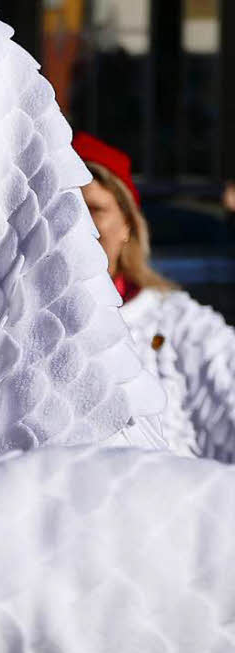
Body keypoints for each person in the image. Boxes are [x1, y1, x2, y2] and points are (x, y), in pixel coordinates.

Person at [74, 131, 235, 461]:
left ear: (127, 225)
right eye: (66, 208)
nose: (78, 224)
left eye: (94, 209)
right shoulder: (12, 323)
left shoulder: (178, 324)